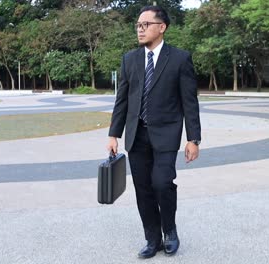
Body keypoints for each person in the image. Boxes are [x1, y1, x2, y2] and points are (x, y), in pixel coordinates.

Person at [106, 5, 201, 259]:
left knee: (162, 183)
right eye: (138, 25)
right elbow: (122, 100)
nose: (140, 29)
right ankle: (152, 238)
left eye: (145, 24)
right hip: (137, 135)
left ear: (162, 27)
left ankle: (170, 231)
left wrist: (193, 139)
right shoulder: (130, 59)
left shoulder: (180, 59)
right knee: (143, 189)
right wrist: (113, 134)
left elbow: (189, 102)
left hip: (166, 135)